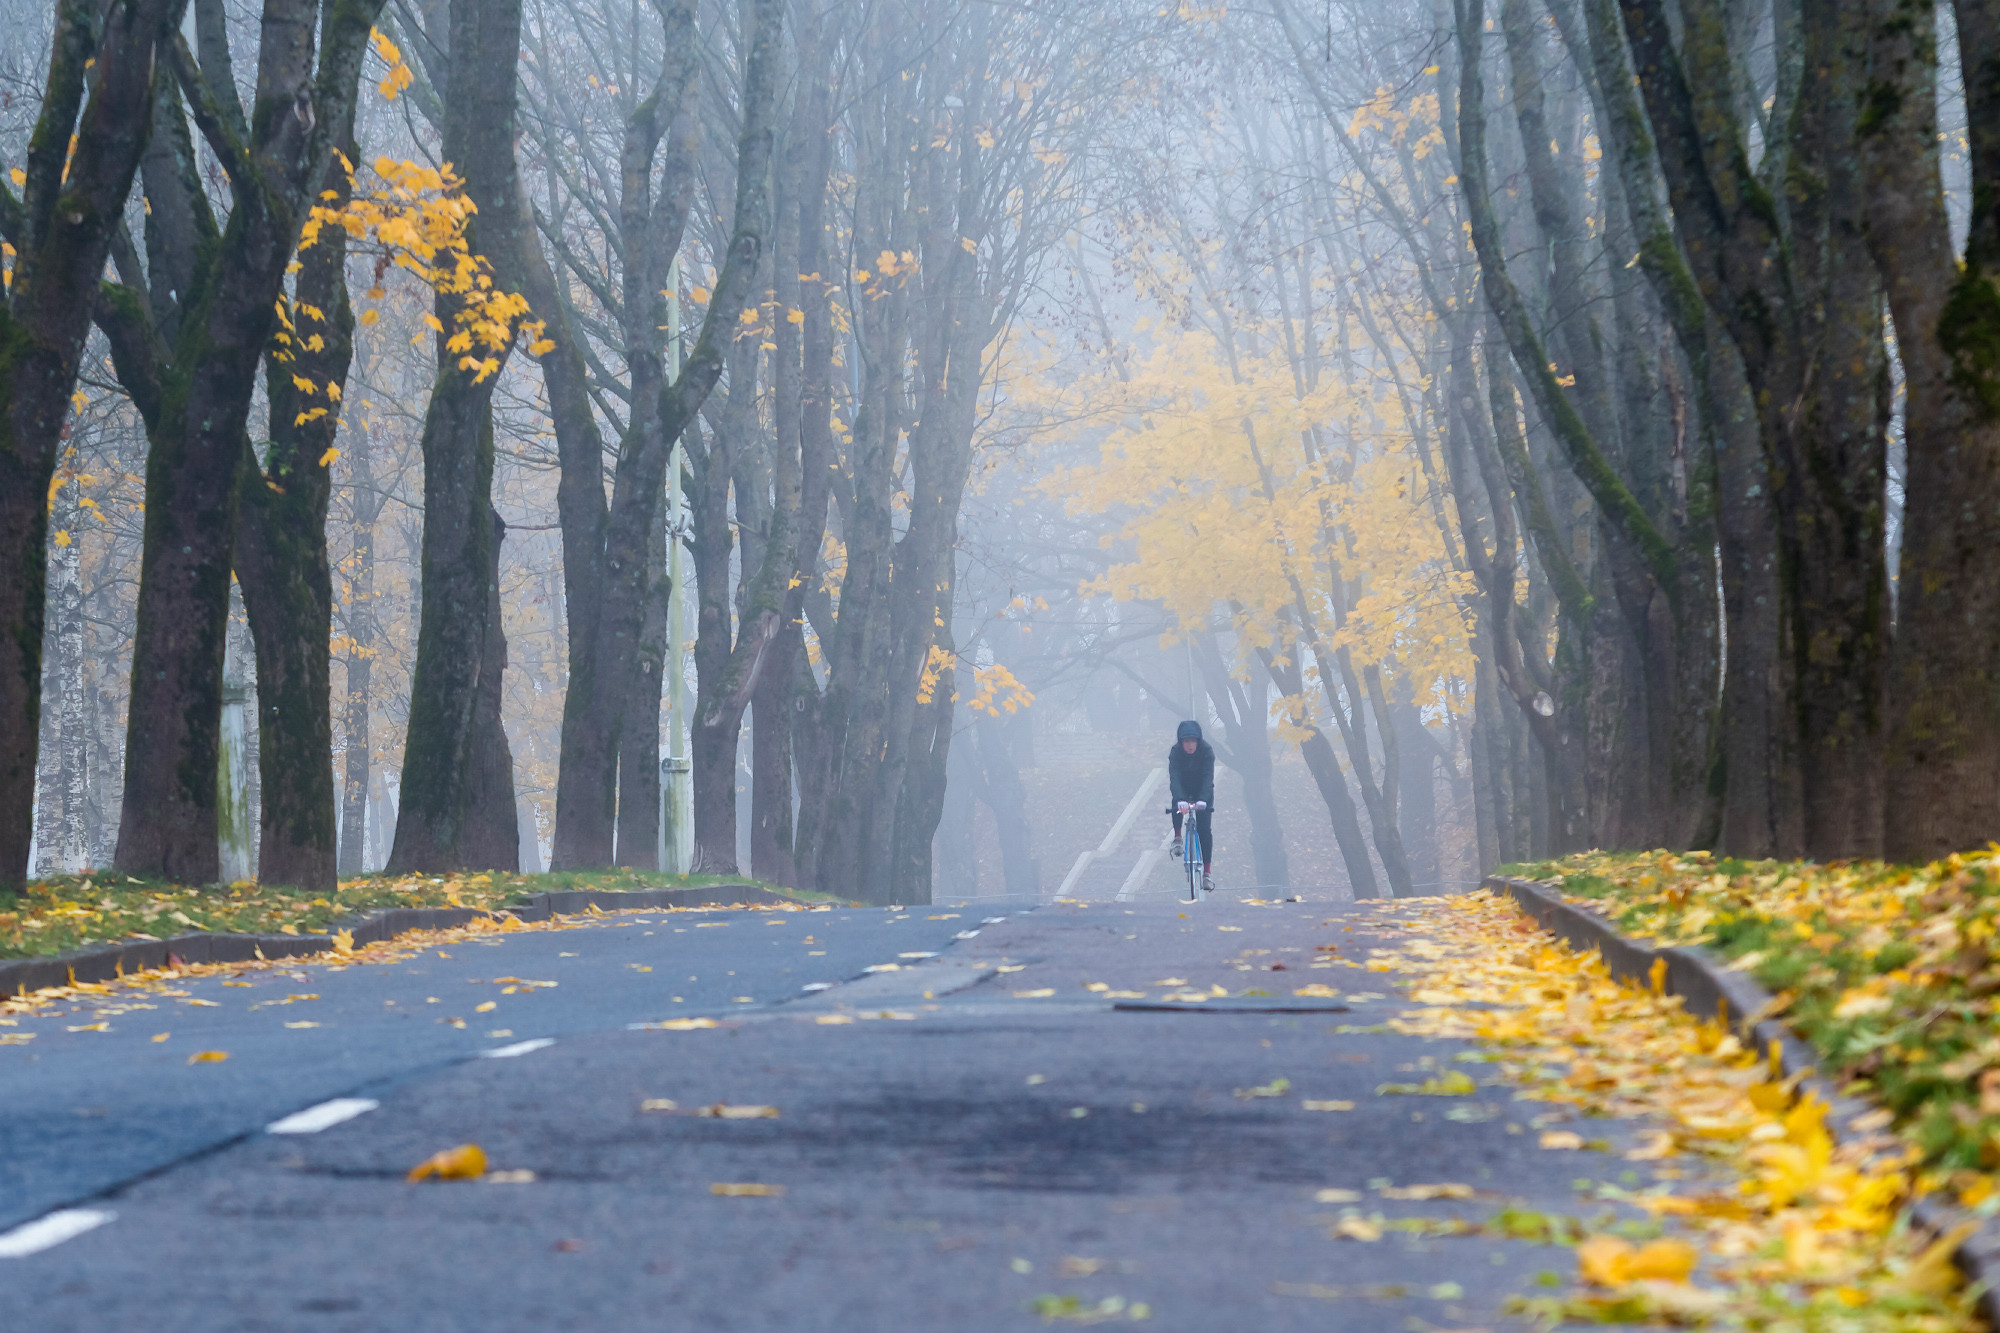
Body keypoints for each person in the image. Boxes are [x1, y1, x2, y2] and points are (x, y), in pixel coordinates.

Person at [1168, 719, 1215, 892]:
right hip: (1183, 788)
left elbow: (1208, 777)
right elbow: (1174, 778)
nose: (1189, 745)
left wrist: (1203, 799)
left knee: (1204, 830)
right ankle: (1178, 837)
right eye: (1186, 741)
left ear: (1198, 741)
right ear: (1181, 742)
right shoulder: (1175, 753)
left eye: (1193, 741)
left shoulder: (1207, 751)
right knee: (1176, 804)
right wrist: (1180, 799)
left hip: (1203, 791)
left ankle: (1207, 874)